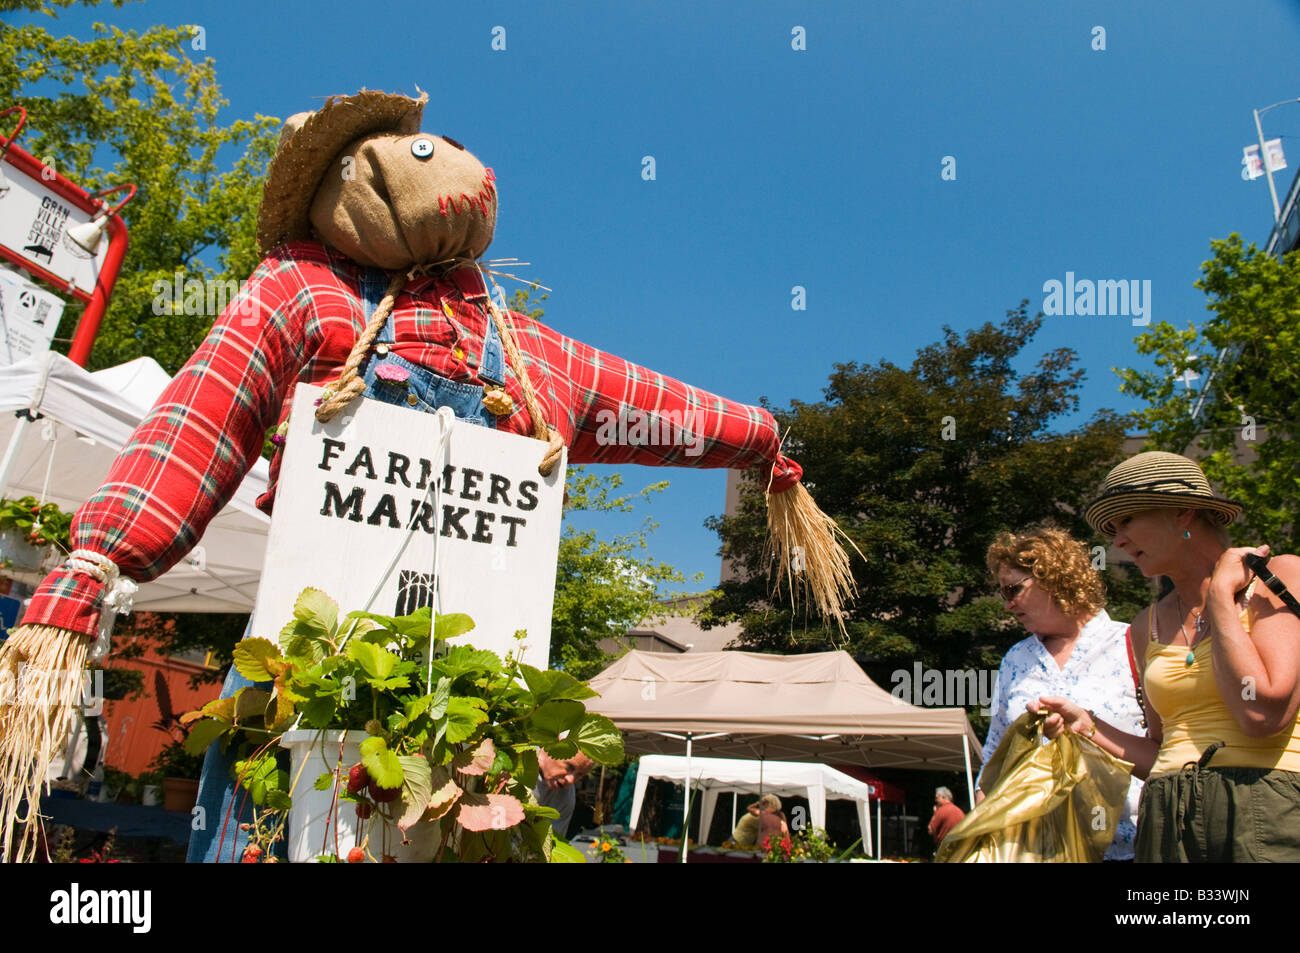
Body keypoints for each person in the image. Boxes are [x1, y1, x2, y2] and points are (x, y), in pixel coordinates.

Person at [0, 89, 846, 864]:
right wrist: (96, 563)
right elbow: (199, 424)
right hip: (307, 685)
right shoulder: (299, 289)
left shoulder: (526, 350)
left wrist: (761, 443)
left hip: (478, 712)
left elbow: (652, 402)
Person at [1037, 451, 1300, 862]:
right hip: (1164, 815)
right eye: (1113, 529)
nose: (1117, 540)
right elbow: (1162, 750)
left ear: (1183, 513)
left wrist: (1217, 598)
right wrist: (1087, 726)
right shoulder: (1147, 625)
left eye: (1127, 520)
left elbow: (1262, 715)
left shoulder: (1279, 577)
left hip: (1261, 806)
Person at [979, 526, 1145, 860]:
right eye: (1003, 593)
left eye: (1013, 590)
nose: (1008, 605)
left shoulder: (1131, 644)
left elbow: (1166, 747)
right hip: (1034, 850)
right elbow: (995, 753)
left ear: (1052, 578)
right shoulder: (1015, 659)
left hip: (1125, 850)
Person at [534, 750, 593, 838]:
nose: (571, 780)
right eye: (569, 767)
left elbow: (551, 843)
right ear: (546, 751)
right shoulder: (515, 765)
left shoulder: (566, 796)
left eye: (579, 775)